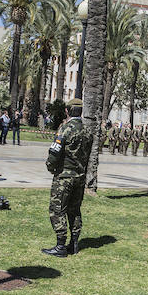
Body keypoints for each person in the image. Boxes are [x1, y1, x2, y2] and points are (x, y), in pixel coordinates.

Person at [42, 99, 93, 257]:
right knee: (74, 210)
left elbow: (55, 151)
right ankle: (74, 243)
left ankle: (60, 245)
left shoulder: (65, 128)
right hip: (80, 176)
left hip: (64, 176)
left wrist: (50, 166)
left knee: (57, 209)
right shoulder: (87, 130)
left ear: (67, 110)